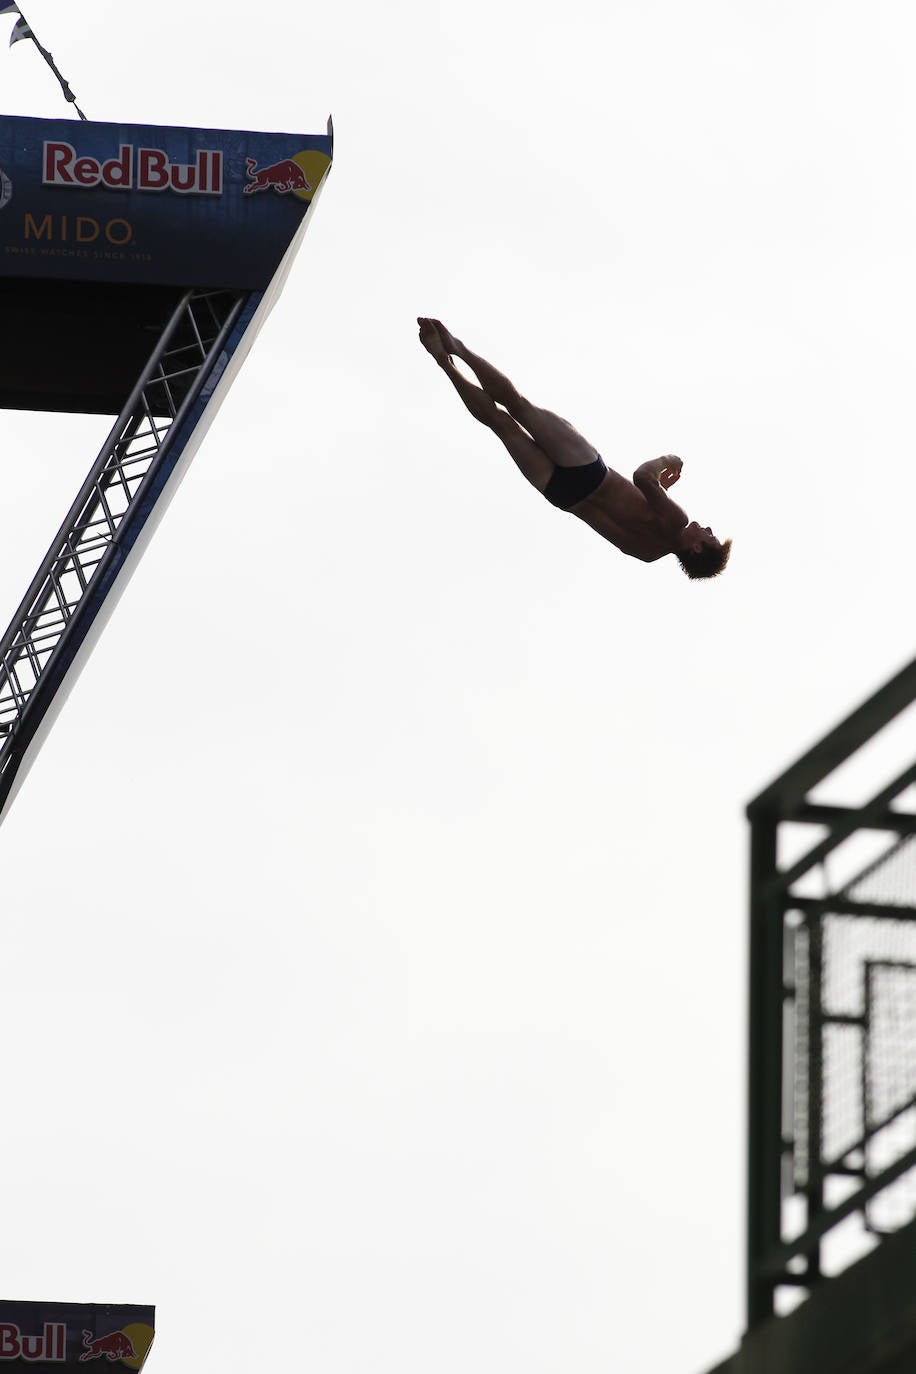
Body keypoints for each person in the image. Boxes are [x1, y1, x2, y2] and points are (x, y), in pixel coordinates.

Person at [418, 317, 730, 578]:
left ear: (697, 548)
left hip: (589, 472)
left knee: (518, 406)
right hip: (564, 495)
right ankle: (444, 363)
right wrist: (659, 493)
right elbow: (630, 514)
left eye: (709, 536)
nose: (707, 528)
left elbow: (641, 477)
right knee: (500, 425)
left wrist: (666, 459)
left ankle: (458, 349)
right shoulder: (647, 553)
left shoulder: (675, 519)